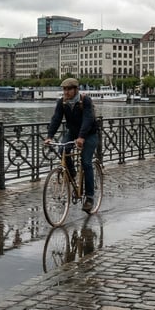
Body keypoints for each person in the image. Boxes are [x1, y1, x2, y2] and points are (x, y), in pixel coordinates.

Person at [45, 78, 99, 211]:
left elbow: (88, 119)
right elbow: (56, 118)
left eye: (69, 89)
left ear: (76, 89)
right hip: (73, 132)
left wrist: (81, 137)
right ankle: (73, 173)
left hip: (90, 134)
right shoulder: (62, 102)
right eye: (64, 89)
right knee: (62, 149)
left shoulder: (85, 101)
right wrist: (49, 136)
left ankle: (90, 197)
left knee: (86, 162)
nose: (66, 92)